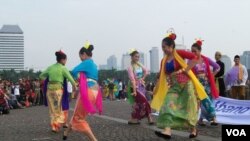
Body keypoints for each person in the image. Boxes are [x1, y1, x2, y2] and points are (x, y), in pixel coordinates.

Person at [152, 31, 209, 139]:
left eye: (165, 47)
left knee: (188, 107)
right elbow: (161, 74)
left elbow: (195, 58)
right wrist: (157, 84)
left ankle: (193, 129)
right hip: (174, 86)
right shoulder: (163, 61)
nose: (163, 49)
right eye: (162, 47)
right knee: (167, 104)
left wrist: (185, 69)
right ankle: (167, 130)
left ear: (171, 46)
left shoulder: (179, 53)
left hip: (186, 84)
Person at [63, 42, 102, 141]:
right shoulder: (93, 64)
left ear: (83, 54)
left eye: (80, 56)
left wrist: (79, 78)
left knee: (78, 118)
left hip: (88, 90)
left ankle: (93, 139)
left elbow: (74, 71)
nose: (80, 59)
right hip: (95, 91)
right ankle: (66, 133)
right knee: (77, 114)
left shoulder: (86, 62)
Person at [40, 50, 76, 133]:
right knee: (58, 109)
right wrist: (75, 86)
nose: (66, 61)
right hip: (58, 91)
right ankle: (56, 125)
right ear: (63, 60)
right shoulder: (63, 68)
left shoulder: (50, 67)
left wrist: (48, 79)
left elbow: (41, 75)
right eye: (66, 60)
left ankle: (54, 126)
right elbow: (71, 79)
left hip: (49, 91)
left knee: (52, 109)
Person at [191, 39, 220, 126]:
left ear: (200, 51)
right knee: (201, 102)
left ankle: (213, 118)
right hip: (197, 84)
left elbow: (217, 67)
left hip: (207, 84)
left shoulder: (206, 59)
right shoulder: (191, 61)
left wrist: (211, 75)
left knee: (208, 101)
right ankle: (201, 119)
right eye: (192, 51)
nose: (193, 53)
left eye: (195, 51)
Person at [127, 49, 154, 125]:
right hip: (134, 86)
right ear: (132, 57)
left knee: (139, 103)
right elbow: (132, 79)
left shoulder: (139, 65)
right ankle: (148, 118)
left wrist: (142, 78)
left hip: (141, 86)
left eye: (138, 57)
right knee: (143, 102)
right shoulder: (130, 67)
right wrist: (135, 91)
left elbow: (146, 71)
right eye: (136, 56)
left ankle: (135, 118)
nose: (137, 58)